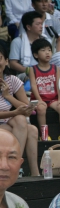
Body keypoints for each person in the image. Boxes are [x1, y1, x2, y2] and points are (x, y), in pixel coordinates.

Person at [0, 46, 39, 177]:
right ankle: (16, 166)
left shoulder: (12, 80)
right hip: (4, 124)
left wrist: (8, 96)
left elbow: (27, 109)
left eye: (0, 58)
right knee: (24, 123)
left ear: (6, 61)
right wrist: (15, 113)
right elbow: (19, 112)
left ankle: (35, 174)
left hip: (9, 123)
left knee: (32, 129)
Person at [30, 39, 60, 141]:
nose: (47, 52)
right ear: (36, 55)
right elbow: (33, 86)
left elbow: (58, 84)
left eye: (49, 50)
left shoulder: (56, 68)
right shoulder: (33, 69)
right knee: (41, 109)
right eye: (43, 50)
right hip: (39, 98)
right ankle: (44, 135)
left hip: (53, 99)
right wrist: (39, 100)